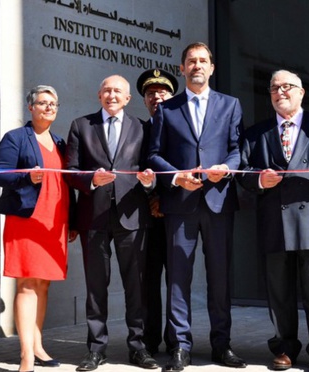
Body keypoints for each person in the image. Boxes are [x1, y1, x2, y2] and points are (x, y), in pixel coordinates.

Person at [148, 42, 246, 371]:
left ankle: (222, 344)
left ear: (212, 68)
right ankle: (180, 346)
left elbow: (237, 149)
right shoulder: (167, 109)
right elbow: (154, 155)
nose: (197, 66)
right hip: (180, 205)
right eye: (191, 61)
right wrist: (176, 177)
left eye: (203, 60)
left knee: (220, 277)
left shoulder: (230, 105)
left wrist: (227, 168)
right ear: (182, 68)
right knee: (178, 277)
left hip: (219, 202)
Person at [237, 70, 309, 372]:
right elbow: (243, 174)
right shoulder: (255, 133)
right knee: (279, 292)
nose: (280, 92)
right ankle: (284, 348)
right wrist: (259, 182)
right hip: (274, 221)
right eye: (274, 88)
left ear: (301, 92)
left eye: (286, 87)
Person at [64, 75, 158, 371]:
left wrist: (149, 182)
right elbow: (69, 171)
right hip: (94, 216)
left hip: (132, 216)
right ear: (98, 94)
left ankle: (138, 347)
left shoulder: (143, 128)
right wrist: (90, 179)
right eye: (107, 90)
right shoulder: (81, 125)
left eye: (118, 91)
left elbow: (150, 169)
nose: (112, 95)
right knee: (96, 287)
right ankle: (96, 348)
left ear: (128, 98)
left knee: (136, 286)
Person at [0, 85, 77, 372]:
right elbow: (0, 174)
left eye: (53, 103)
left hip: (55, 221)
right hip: (26, 220)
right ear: (31, 108)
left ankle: (38, 345)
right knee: (27, 284)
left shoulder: (61, 142)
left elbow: (69, 184)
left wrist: (74, 221)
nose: (48, 108)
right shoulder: (16, 138)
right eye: (42, 103)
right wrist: (26, 177)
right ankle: (26, 355)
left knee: (43, 284)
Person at [135, 68, 178, 356]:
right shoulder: (139, 130)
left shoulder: (179, 127)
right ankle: (150, 341)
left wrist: (163, 197)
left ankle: (177, 340)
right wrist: (150, 196)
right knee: (148, 282)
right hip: (146, 219)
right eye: (151, 93)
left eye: (162, 92)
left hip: (176, 214)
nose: (157, 96)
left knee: (177, 281)